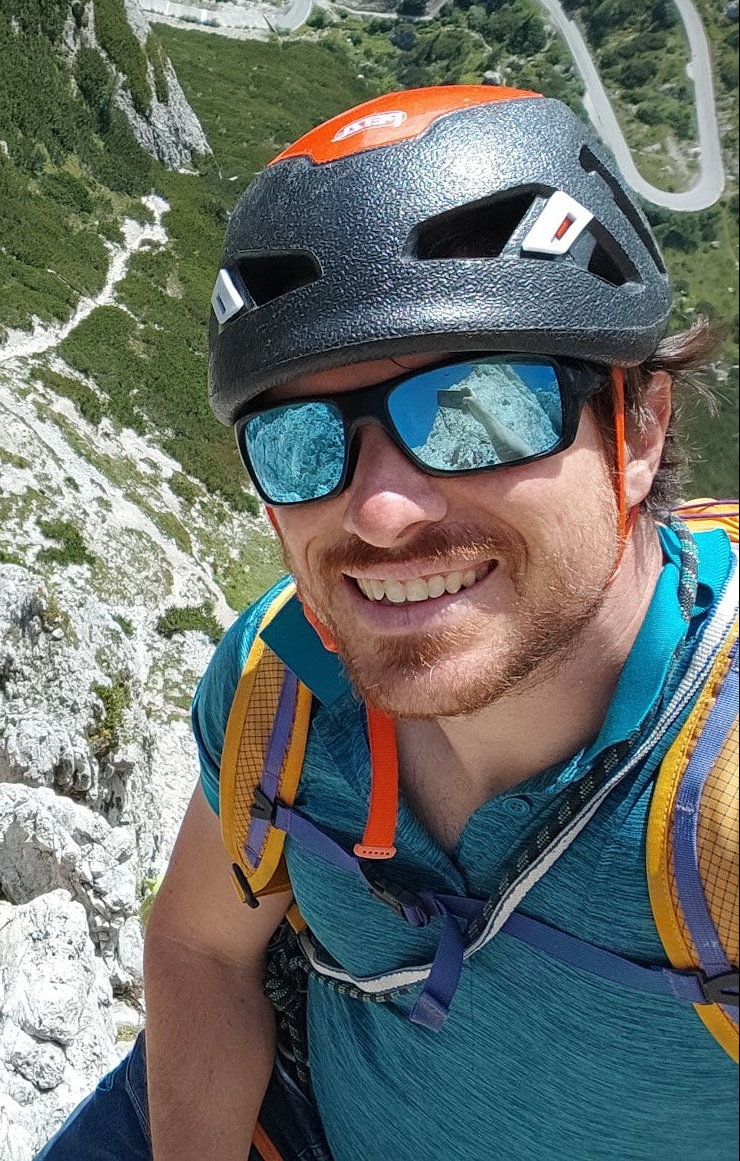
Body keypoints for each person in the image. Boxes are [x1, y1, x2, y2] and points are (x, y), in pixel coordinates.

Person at [37, 85, 737, 1160]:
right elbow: (200, 947)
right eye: (306, 441)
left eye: (476, 407)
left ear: (636, 423)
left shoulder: (717, 808)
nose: (378, 509)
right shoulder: (284, 679)